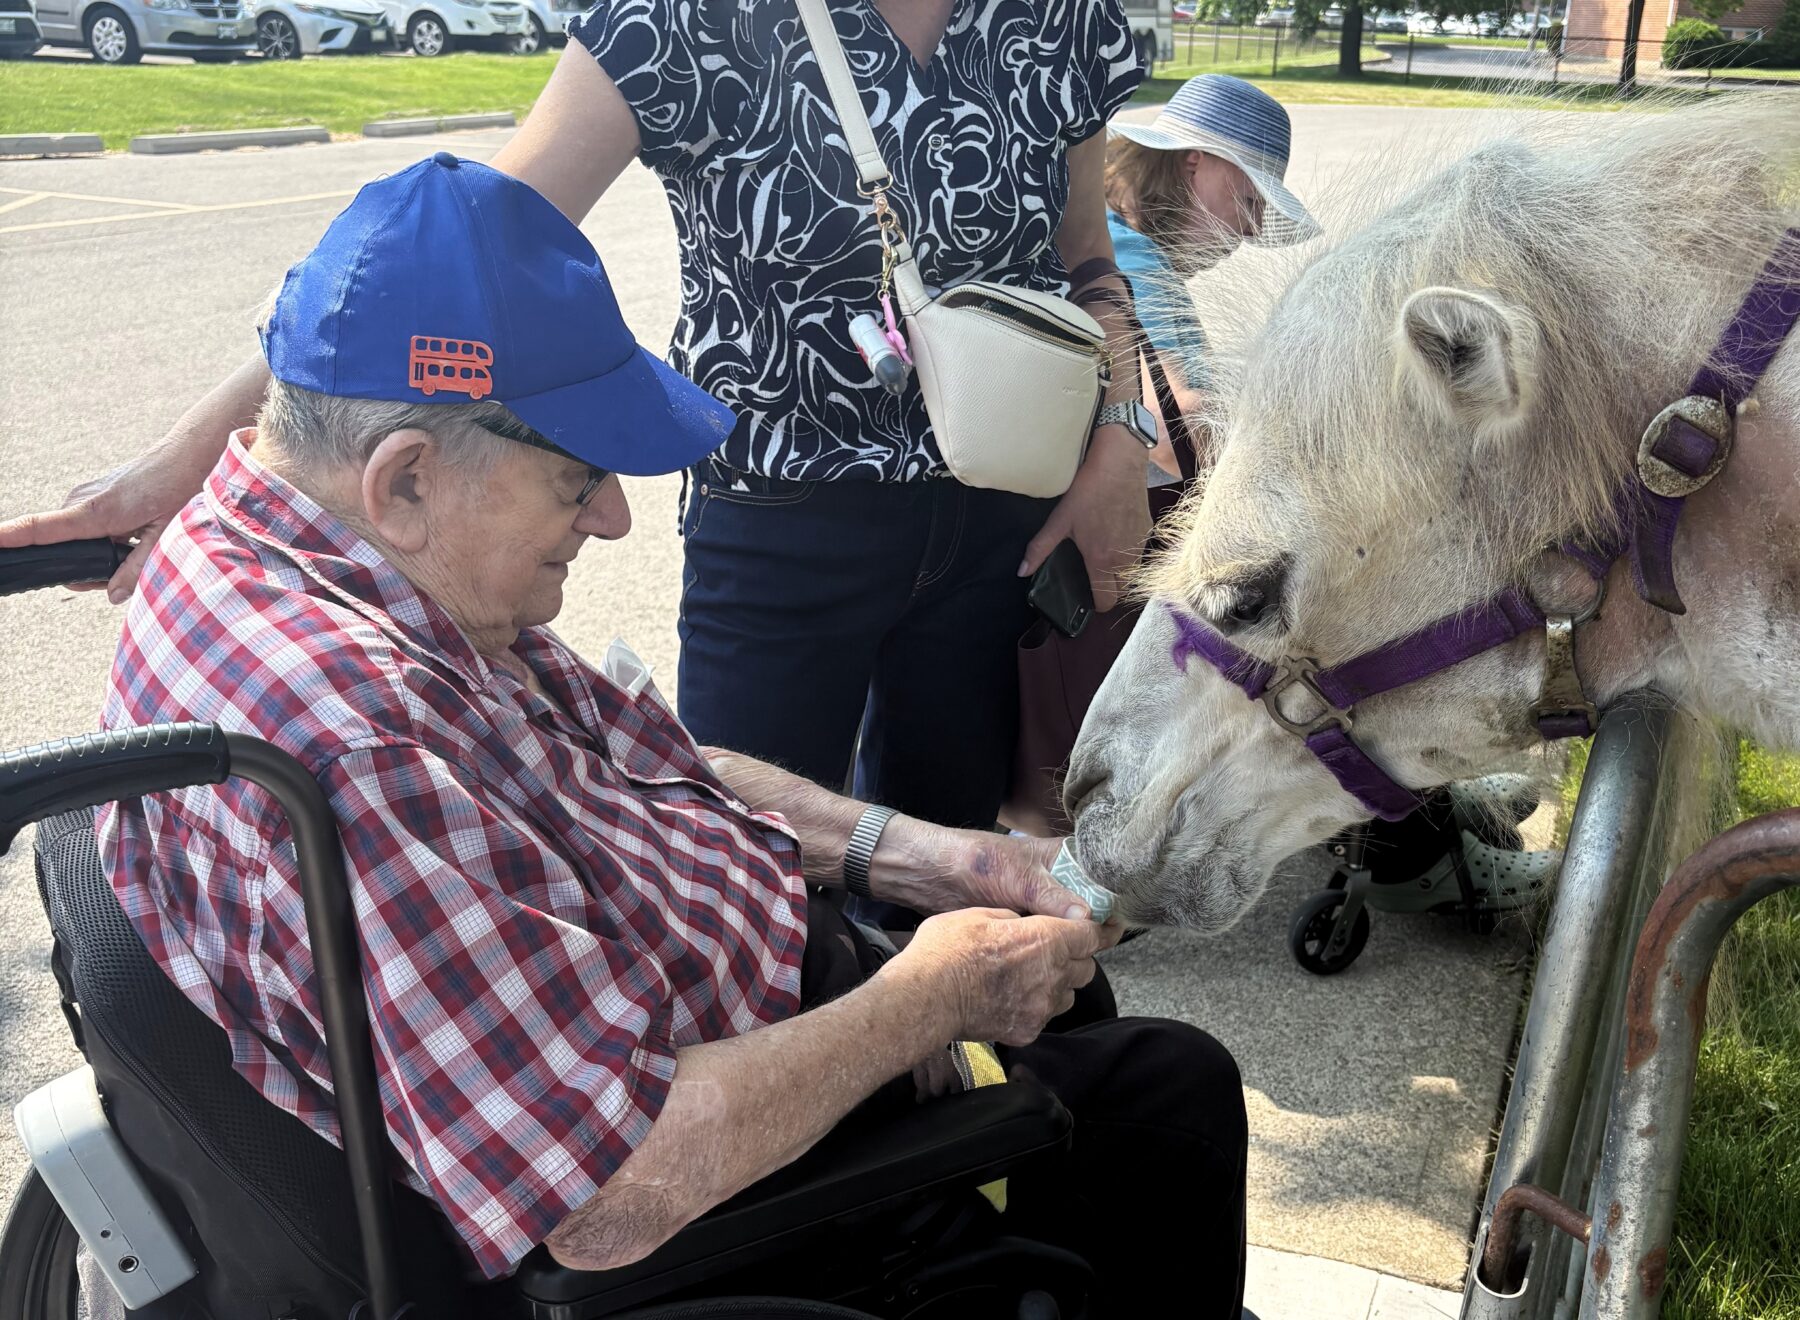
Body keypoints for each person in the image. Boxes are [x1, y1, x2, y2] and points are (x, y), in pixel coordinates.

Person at [95, 154, 1249, 1313]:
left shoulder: (312, 549)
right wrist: (930, 1001)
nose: (612, 517)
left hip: (721, 1013)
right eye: (577, 478)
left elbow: (646, 765)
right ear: (405, 481)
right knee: (1172, 1095)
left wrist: (934, 858)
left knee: (1073, 1006)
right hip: (723, 1198)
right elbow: (604, 1194)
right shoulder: (359, 740)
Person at [1, 1, 1163, 841]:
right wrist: (193, 458)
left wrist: (1123, 438)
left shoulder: (1058, 17)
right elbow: (442, 253)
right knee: (756, 854)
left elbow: (1086, 262)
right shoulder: (690, 16)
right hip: (784, 521)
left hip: (1005, 509)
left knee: (946, 851)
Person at [1102, 73, 1320, 480]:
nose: (1254, 228)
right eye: (1250, 200)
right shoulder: (1130, 257)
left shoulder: (1111, 234)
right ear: (1193, 162)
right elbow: (1171, 428)